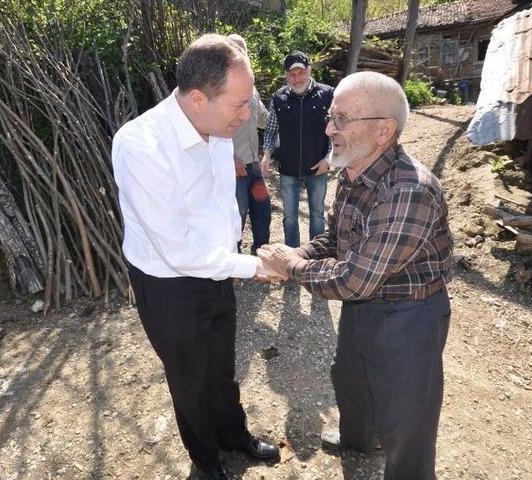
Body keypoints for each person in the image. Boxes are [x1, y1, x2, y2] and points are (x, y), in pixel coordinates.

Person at [258, 71, 454, 480]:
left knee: (407, 420)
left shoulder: (408, 189)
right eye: (331, 117)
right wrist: (297, 253)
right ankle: (360, 441)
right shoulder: (354, 171)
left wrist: (289, 266)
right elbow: (337, 238)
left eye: (342, 119)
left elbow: (353, 279)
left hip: (409, 315)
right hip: (363, 304)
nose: (329, 129)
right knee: (351, 380)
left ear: (384, 131)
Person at [111, 34, 279, 480]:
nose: (247, 116)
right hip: (170, 285)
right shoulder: (141, 145)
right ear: (199, 98)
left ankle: (232, 435)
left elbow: (222, 204)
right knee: (189, 377)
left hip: (218, 270)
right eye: (239, 105)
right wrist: (252, 266)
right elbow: (177, 248)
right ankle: (206, 461)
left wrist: (232, 258)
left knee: (222, 367)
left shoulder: (216, 129)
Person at [261, 51, 333, 247]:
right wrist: (266, 154)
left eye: (300, 72)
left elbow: (336, 132)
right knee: (290, 217)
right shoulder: (278, 98)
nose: (297, 78)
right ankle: (292, 255)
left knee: (317, 215)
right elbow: (270, 131)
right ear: (286, 75)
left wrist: (329, 159)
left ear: (309, 71)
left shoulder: (327, 95)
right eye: (292, 74)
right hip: (288, 169)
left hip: (318, 167)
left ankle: (315, 253)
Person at [227, 33, 271, 254]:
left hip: (253, 164)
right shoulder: (218, 89)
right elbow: (210, 131)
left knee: (262, 210)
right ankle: (232, 259)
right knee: (237, 214)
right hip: (233, 167)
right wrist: (230, 158)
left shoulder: (251, 90)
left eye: (241, 50)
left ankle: (261, 255)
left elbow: (263, 119)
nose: (238, 54)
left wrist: (285, 117)